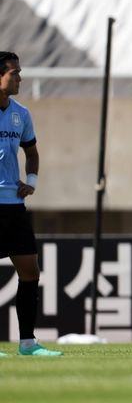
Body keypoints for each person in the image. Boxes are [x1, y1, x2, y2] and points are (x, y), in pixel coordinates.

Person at [0, 51, 62, 357]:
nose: (20, 78)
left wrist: (31, 183)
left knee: (30, 271)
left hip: (13, 205)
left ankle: (27, 343)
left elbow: (32, 153)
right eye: (14, 73)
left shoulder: (20, 114)